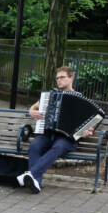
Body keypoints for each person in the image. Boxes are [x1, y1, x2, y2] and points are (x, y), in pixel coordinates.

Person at [20, 65, 96, 194]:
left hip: (67, 139)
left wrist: (87, 131)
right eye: (57, 78)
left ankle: (31, 175)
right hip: (48, 134)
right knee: (35, 145)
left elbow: (89, 123)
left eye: (62, 77)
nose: (59, 80)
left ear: (71, 78)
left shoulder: (79, 98)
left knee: (58, 146)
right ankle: (36, 182)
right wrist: (31, 111)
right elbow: (34, 106)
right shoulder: (51, 95)